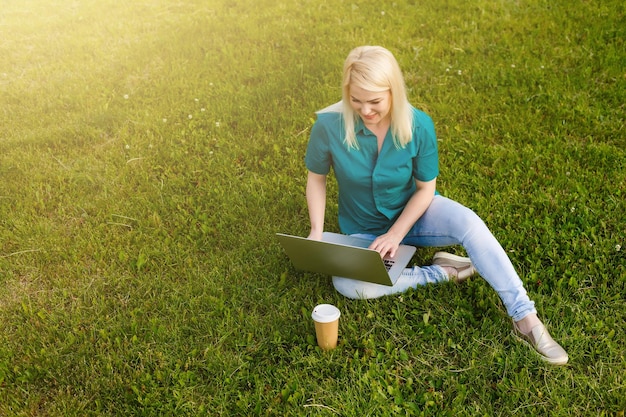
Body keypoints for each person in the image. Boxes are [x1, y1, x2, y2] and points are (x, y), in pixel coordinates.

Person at [304, 45, 568, 365]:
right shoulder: (329, 125)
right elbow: (316, 178)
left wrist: (396, 234)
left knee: (469, 223)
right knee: (346, 283)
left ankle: (525, 318)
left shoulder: (418, 125)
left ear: (393, 91)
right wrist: (316, 231)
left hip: (417, 214)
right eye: (356, 100)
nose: (365, 110)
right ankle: (441, 272)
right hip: (364, 230)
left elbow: (425, 189)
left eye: (375, 101)